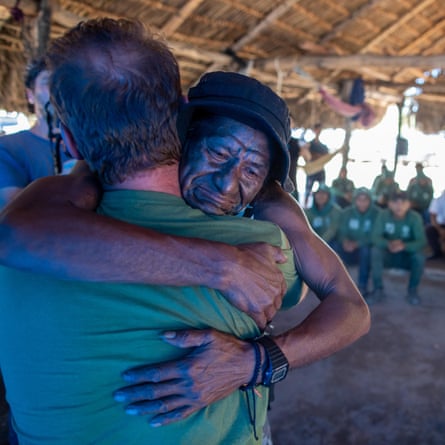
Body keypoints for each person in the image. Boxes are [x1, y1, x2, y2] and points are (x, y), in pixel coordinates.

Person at [0, 20, 370, 444]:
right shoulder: (264, 253)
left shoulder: (29, 244)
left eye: (251, 171)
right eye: (217, 153)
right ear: (180, 119)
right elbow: (319, 298)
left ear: (68, 140)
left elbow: (15, 234)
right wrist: (227, 270)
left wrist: (256, 362)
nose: (227, 185)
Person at [0, 57, 70, 210]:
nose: (57, 89)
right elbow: (14, 210)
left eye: (63, 82)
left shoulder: (91, 148)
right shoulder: (7, 148)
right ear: (30, 95)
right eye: (48, 82)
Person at [369, 190, 426, 305]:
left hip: (406, 256)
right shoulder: (383, 215)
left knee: (419, 257)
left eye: (403, 202)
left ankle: (412, 291)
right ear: (389, 204)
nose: (399, 206)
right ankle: (378, 289)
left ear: (409, 204)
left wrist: (404, 245)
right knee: (375, 251)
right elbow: (375, 237)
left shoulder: (415, 217)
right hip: (388, 254)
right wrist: (388, 244)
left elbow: (421, 241)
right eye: (395, 202)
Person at [337, 187, 381, 296]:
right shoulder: (347, 212)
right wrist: (345, 241)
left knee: (366, 251)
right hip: (348, 246)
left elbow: (376, 235)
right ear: (354, 200)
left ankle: (362, 286)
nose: (362, 203)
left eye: (365, 200)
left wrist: (358, 243)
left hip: (365, 248)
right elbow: (341, 231)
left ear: (370, 201)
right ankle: (338, 285)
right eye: (359, 200)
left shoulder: (377, 214)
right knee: (335, 247)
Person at [304, 183, 341, 249]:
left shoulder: (335, 210)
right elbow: (306, 229)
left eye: (324, 194)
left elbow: (332, 230)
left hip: (330, 243)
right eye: (318, 193)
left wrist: (320, 242)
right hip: (312, 241)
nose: (320, 196)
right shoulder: (308, 212)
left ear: (329, 196)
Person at [304, 122, 329, 207]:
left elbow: (326, 158)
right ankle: (305, 207)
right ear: (314, 130)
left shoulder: (324, 146)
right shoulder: (309, 144)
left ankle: (320, 207)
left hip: (320, 171)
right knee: (307, 190)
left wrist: (317, 156)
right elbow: (306, 157)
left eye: (320, 130)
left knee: (322, 190)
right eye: (317, 129)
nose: (318, 131)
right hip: (311, 171)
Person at [425, 189, 445, 260]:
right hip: (440, 225)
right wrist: (440, 230)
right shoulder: (438, 199)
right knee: (429, 230)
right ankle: (437, 253)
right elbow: (433, 217)